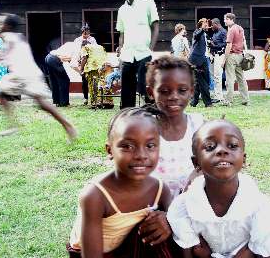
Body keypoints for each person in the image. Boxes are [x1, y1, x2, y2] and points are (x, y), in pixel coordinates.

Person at [67, 107, 178, 258]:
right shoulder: (95, 196)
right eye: (127, 146)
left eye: (150, 146)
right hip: (94, 252)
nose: (141, 155)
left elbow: (180, 223)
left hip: (131, 246)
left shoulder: (160, 189)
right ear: (110, 150)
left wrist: (168, 220)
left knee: (162, 229)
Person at [167, 119, 270, 258]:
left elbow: (266, 251)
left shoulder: (260, 206)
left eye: (232, 145)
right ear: (196, 162)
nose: (222, 150)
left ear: (244, 159)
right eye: (210, 146)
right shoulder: (183, 207)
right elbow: (188, 252)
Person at [0, 14, 77, 141]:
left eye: (0, 24)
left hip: (22, 74)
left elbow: (3, 53)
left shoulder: (9, 36)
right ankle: (68, 125)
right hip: (30, 73)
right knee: (42, 104)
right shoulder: (19, 36)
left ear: (8, 26)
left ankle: (12, 125)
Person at [146, 56, 205, 198]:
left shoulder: (199, 126)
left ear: (191, 91)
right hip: (152, 207)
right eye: (164, 91)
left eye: (182, 90)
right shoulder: (144, 128)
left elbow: (210, 164)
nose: (174, 96)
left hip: (192, 204)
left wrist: (196, 176)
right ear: (151, 93)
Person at [117, 0, 159, 109]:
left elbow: (155, 27)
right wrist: (120, 52)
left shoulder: (147, 3)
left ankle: (152, 112)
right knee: (126, 89)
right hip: (127, 54)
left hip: (143, 53)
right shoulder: (121, 10)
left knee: (143, 87)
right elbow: (121, 33)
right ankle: (127, 115)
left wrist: (150, 49)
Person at [223, 13, 249, 106]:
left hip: (232, 55)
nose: (224, 21)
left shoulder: (231, 30)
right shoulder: (240, 28)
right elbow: (244, 41)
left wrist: (224, 60)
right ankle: (245, 99)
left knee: (230, 79)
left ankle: (228, 100)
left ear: (230, 19)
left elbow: (229, 45)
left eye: (225, 19)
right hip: (240, 55)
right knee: (241, 78)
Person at [45, 42, 81, 107]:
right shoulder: (78, 49)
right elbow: (73, 65)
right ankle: (64, 103)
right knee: (65, 80)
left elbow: (67, 58)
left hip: (48, 57)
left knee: (55, 81)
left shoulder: (70, 44)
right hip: (54, 59)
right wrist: (81, 72)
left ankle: (57, 101)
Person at [80, 41, 114, 109]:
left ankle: (95, 103)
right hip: (105, 66)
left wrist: (81, 69)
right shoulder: (100, 46)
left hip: (93, 67)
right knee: (104, 84)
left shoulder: (85, 47)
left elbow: (84, 58)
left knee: (93, 85)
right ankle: (108, 102)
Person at [189, 18, 212, 108]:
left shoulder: (205, 35)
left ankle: (194, 102)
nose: (207, 25)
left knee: (200, 82)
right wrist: (202, 29)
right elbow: (197, 36)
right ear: (200, 25)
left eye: (207, 23)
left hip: (203, 59)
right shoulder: (197, 32)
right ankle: (208, 103)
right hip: (196, 60)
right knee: (203, 82)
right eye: (205, 23)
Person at [74, 25, 97, 105]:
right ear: (82, 33)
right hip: (82, 61)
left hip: (91, 62)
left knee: (93, 80)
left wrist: (89, 43)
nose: (87, 35)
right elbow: (76, 51)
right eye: (85, 34)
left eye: (88, 34)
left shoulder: (93, 39)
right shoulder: (77, 40)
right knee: (84, 81)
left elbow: (95, 49)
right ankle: (85, 98)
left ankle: (93, 98)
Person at [208, 18, 227, 102]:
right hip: (213, 56)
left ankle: (219, 97)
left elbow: (225, 44)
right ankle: (216, 95)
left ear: (216, 24)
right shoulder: (215, 32)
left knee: (218, 76)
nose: (211, 27)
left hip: (220, 55)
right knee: (213, 76)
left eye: (212, 25)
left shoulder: (223, 32)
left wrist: (213, 45)